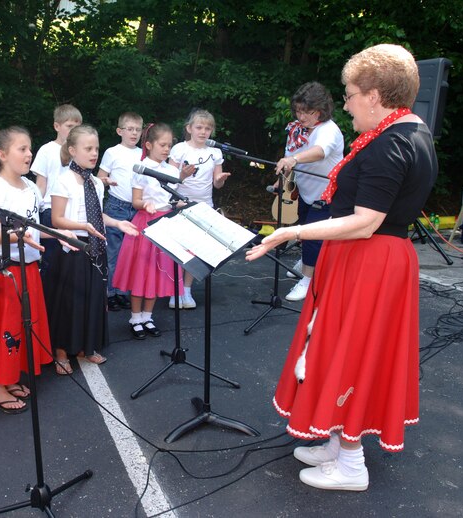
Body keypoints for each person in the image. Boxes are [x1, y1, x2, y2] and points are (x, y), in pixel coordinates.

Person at [246, 43, 437, 491]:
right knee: (335, 347)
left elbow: (367, 222)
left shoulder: (394, 143)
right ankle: (338, 440)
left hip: (370, 262)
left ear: (374, 95)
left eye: (350, 94)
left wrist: (291, 232)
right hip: (369, 260)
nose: (346, 104)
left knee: (351, 352)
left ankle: (351, 464)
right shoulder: (407, 131)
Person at [0, 127, 61, 413]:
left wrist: (67, 238)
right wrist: (20, 237)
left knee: (21, 326)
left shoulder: (30, 187)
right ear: (2, 155)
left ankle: (9, 378)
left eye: (30, 148)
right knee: (2, 329)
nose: (29, 154)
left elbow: (36, 229)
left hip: (28, 267)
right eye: (22, 149)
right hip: (4, 272)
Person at [48, 125, 138, 374]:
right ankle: (62, 351)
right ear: (72, 150)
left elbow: (98, 214)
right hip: (73, 248)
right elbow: (56, 219)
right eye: (88, 148)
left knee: (93, 298)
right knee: (69, 301)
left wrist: (117, 222)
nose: (94, 153)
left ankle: (86, 347)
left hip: (96, 247)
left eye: (96, 148)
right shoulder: (63, 180)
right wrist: (82, 226)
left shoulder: (96, 182)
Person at [274, 82, 344, 301]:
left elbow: (319, 152)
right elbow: (290, 157)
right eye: (298, 110)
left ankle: (307, 280)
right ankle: (307, 261)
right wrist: (283, 178)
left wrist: (293, 159)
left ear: (321, 110)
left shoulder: (328, 130)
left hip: (326, 193)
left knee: (314, 237)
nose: (301, 116)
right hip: (305, 191)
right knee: (303, 228)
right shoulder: (297, 130)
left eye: (307, 111)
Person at [113, 123, 184, 340]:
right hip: (145, 224)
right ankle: (135, 318)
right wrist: (145, 205)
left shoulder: (172, 170)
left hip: (165, 223)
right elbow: (135, 201)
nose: (166, 149)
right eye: (162, 145)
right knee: (140, 271)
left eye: (169, 145)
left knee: (157, 271)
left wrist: (176, 205)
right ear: (149, 145)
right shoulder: (141, 168)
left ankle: (147, 316)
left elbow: (170, 199)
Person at [167, 109, 230, 309]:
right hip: (180, 204)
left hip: (204, 206)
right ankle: (174, 290)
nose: (203, 132)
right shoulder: (179, 149)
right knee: (179, 249)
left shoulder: (215, 152)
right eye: (199, 127)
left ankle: (187, 289)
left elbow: (217, 183)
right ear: (189, 128)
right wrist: (181, 175)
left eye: (208, 128)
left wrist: (219, 180)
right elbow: (169, 180)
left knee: (195, 250)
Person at [97, 111, 143, 312]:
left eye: (138, 130)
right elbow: (99, 178)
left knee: (131, 253)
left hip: (136, 207)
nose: (134, 133)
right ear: (119, 131)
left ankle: (123, 292)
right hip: (116, 205)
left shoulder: (143, 154)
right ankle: (110, 292)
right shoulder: (112, 152)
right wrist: (105, 183)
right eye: (129, 129)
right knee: (113, 252)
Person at [31, 104, 83, 280]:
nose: (74, 131)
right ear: (57, 126)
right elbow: (41, 183)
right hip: (50, 211)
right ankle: (48, 301)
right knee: (51, 259)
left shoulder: (81, 151)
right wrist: (35, 208)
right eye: (70, 126)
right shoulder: (47, 150)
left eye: (77, 127)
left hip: (74, 211)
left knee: (71, 259)